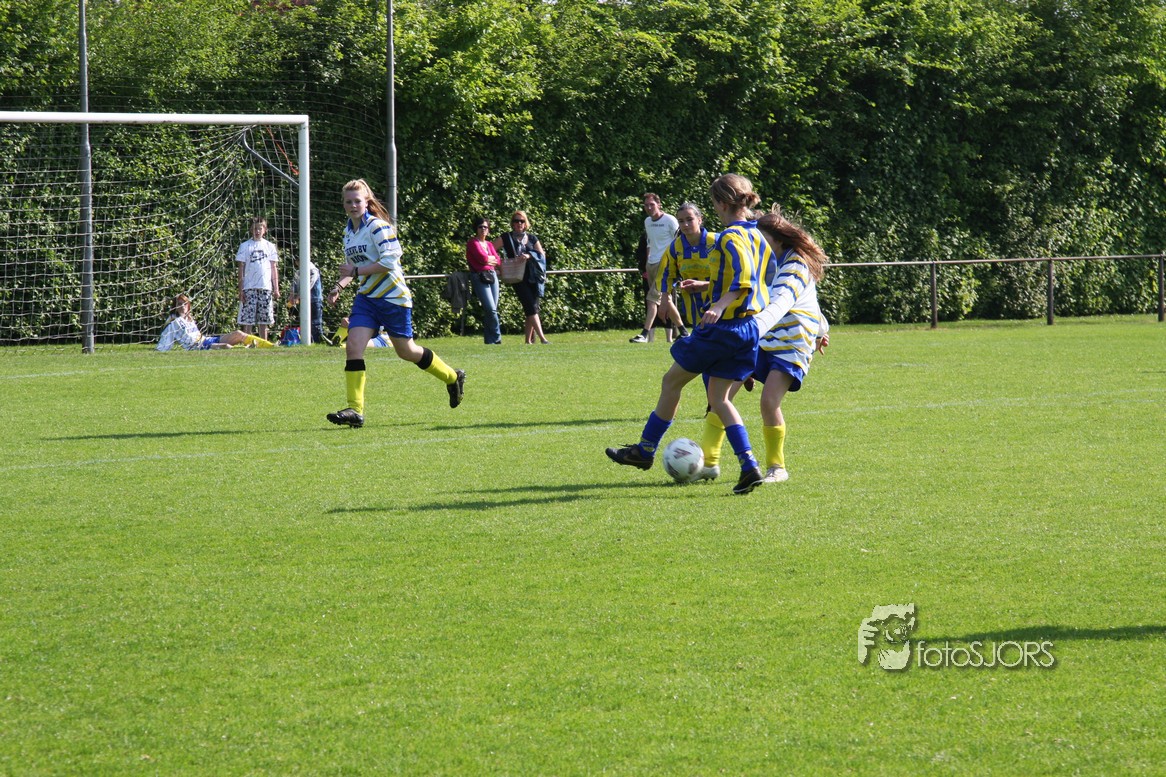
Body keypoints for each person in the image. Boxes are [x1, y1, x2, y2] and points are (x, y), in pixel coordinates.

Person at [606, 174, 775, 494]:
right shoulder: (757, 234)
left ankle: (645, 450)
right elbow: (762, 278)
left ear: (721, 203)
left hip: (723, 327)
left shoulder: (728, 236)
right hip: (749, 327)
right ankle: (749, 465)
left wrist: (719, 305)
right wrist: (708, 288)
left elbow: (743, 280)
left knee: (671, 381)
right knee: (719, 399)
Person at [324, 178, 465, 428]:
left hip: (393, 298)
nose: (353, 205)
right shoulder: (348, 232)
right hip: (367, 299)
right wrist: (338, 286)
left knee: (406, 351)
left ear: (367, 201)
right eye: (348, 201)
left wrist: (355, 272)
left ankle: (452, 377)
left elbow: (389, 262)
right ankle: (355, 410)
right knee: (353, 346)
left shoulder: (378, 227)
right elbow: (352, 267)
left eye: (357, 201)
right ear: (343, 204)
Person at [749, 207, 831, 483]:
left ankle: (777, 468)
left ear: (778, 239)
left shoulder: (795, 265)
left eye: (762, 238)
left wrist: (819, 330)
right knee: (723, 388)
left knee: (769, 401)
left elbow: (787, 300)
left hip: (791, 343)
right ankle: (709, 461)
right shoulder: (765, 260)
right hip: (767, 338)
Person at [630, 192, 687, 343]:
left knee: (651, 299)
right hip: (651, 265)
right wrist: (647, 263)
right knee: (665, 300)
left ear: (659, 204)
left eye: (652, 204)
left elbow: (679, 240)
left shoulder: (670, 220)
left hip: (666, 265)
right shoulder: (647, 221)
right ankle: (683, 331)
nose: (649, 208)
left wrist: (676, 263)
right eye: (646, 205)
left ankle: (644, 334)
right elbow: (649, 243)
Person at [494, 210, 550, 345]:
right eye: (516, 221)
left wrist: (529, 255)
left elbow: (541, 255)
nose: (519, 223)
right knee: (531, 306)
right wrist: (498, 266)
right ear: (512, 223)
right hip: (517, 276)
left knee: (531, 307)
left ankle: (528, 341)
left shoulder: (532, 238)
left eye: (522, 221)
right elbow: (490, 250)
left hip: (533, 276)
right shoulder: (506, 237)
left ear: (526, 223)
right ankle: (543, 338)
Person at [156, 293, 274, 351]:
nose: (182, 306)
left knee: (238, 333)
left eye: (184, 304)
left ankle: (271, 346)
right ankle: (248, 349)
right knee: (225, 346)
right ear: (175, 306)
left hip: (206, 340)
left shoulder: (189, 318)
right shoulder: (174, 321)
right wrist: (161, 349)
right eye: (179, 304)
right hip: (198, 347)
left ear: (188, 305)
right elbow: (166, 335)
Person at [235, 216, 280, 341]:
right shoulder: (244, 246)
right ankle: (247, 343)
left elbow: (273, 268)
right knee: (247, 319)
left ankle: (263, 343)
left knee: (264, 319)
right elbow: (241, 268)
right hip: (249, 287)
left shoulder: (270, 246)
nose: (257, 231)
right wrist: (241, 290)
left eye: (260, 228)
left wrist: (276, 288)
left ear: (265, 230)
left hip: (265, 287)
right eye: (255, 228)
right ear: (251, 229)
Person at [466, 216, 503, 344]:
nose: (483, 229)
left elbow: (498, 260)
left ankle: (489, 341)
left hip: (492, 275)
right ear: (476, 229)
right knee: (491, 309)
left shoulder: (489, 244)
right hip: (479, 276)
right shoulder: (472, 243)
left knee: (492, 310)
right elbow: (482, 258)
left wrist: (488, 260)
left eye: (485, 227)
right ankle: (497, 338)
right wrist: (489, 259)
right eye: (480, 227)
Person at [288, 257, 329, 345]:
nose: (297, 264)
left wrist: (297, 297)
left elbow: (308, 285)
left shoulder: (313, 271)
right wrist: (291, 295)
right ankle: (308, 341)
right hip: (303, 301)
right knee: (305, 322)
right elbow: (294, 284)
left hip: (314, 300)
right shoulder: (298, 272)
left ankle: (318, 342)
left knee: (315, 323)